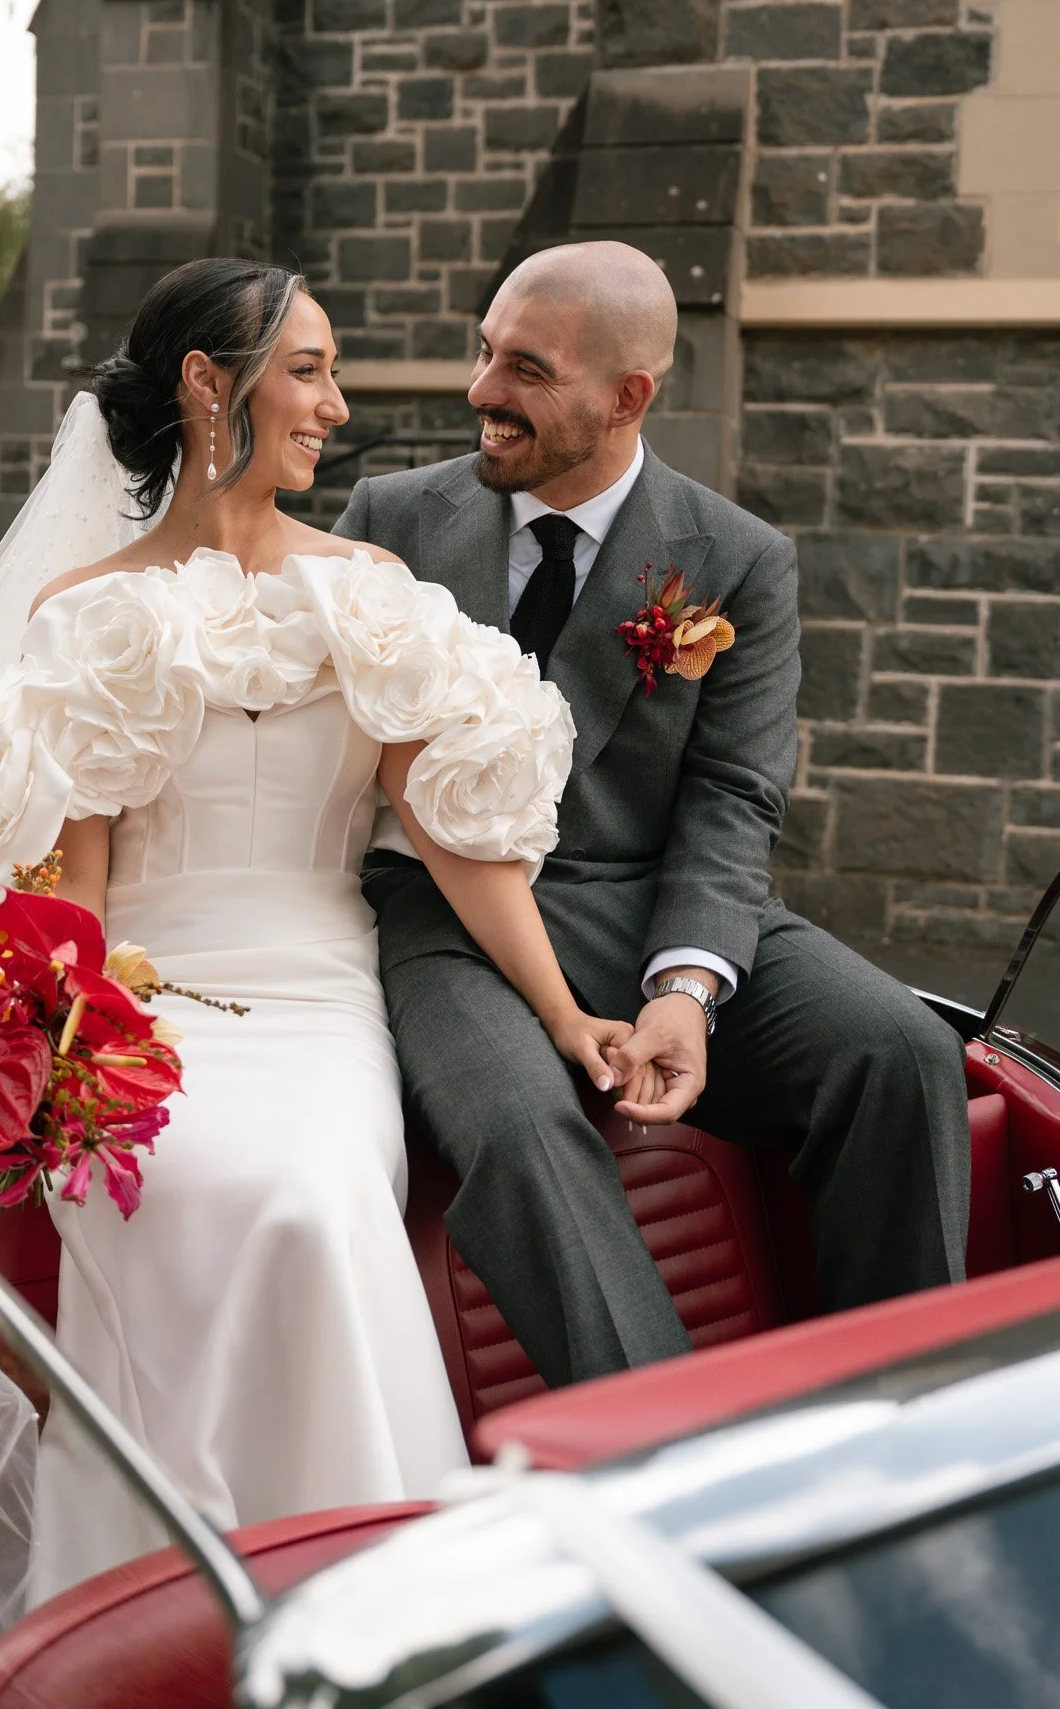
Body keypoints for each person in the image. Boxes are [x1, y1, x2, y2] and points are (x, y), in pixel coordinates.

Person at [0, 253, 637, 1569]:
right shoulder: (85, 615)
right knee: (164, 1183)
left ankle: (348, 1575)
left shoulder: (369, 595)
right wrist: (58, 1048)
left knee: (303, 1191)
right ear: (207, 383)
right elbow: (75, 880)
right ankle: (155, 1589)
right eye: (309, 369)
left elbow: (461, 841)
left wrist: (568, 1014)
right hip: (149, 1003)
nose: (335, 405)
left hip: (312, 1000)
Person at [333, 239, 972, 1388]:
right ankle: (675, 1447)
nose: (482, 391)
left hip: (652, 898)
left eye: (524, 368)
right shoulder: (391, 516)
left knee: (900, 1050)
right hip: (444, 912)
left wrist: (686, 990)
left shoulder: (739, 557)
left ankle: (905, 1418)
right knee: (527, 1132)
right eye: (483, 352)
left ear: (628, 396)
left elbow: (734, 793)